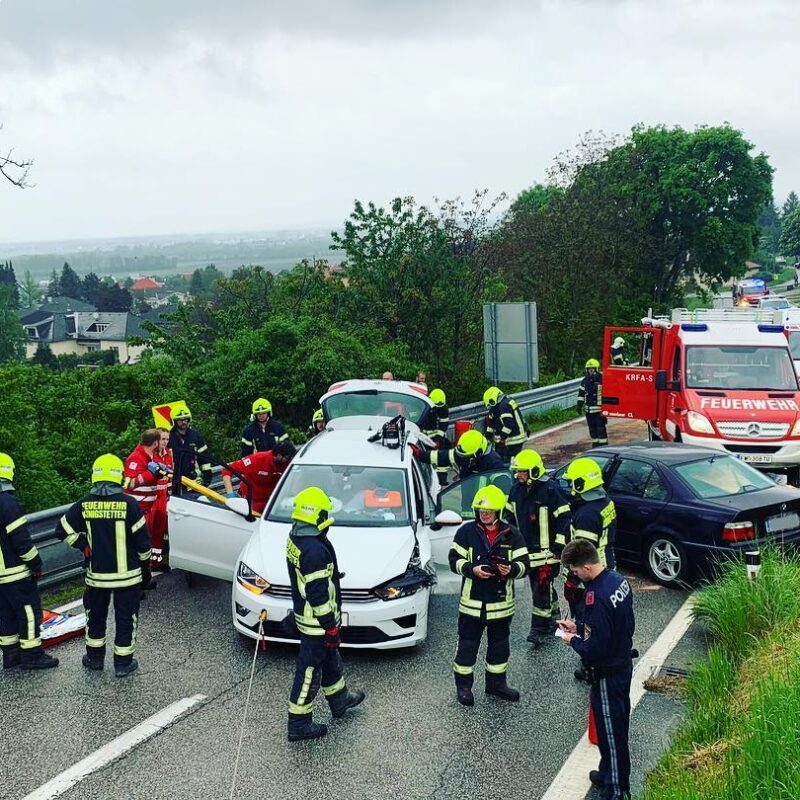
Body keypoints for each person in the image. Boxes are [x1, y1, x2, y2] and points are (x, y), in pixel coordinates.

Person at [55, 454, 152, 677]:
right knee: (126, 618)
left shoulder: (84, 504)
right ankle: (123, 663)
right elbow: (144, 545)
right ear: (119, 476)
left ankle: (95, 659)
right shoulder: (130, 504)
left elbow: (61, 530)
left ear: (95, 476)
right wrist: (145, 570)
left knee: (95, 617)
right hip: (128, 578)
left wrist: (83, 544)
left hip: (96, 577)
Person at [286, 487, 365, 741]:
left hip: (311, 618)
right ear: (318, 516)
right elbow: (318, 595)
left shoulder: (297, 538)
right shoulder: (314, 550)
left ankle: (340, 700)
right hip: (317, 622)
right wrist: (330, 626)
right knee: (309, 671)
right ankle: (299, 723)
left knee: (330, 658)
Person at [558, 539, 635, 800]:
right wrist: (578, 627)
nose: (575, 576)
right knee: (611, 726)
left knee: (611, 731)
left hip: (607, 673)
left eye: (576, 571)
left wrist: (573, 640)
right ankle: (607, 771)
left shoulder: (595, 597)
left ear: (587, 567)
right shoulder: (616, 581)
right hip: (622, 663)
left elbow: (595, 648)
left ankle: (616, 788)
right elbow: (610, 628)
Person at [448, 485, 529, 706]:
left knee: (500, 647)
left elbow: (525, 564)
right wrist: (471, 569)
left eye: (489, 511)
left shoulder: (512, 534)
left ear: (499, 512)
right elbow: (454, 559)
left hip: (501, 605)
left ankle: (496, 685)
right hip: (472, 604)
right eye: (481, 511)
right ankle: (464, 687)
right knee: (467, 647)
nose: (484, 514)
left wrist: (511, 570)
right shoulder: (466, 532)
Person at [504, 449, 571, 646]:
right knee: (544, 588)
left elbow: (564, 519)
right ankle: (554, 617)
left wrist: (559, 545)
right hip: (527, 553)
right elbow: (509, 517)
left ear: (533, 471)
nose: (518, 475)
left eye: (522, 471)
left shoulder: (551, 490)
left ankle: (540, 629)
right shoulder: (516, 490)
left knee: (540, 589)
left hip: (548, 555)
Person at [0, 453, 59, 670]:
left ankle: (10, 655)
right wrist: (35, 562)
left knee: (5, 614)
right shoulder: (7, 502)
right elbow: (21, 540)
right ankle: (32, 655)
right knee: (29, 612)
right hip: (15, 571)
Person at [561, 456, 617, 621]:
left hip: (587, 578)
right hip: (606, 567)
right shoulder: (605, 502)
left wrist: (571, 581)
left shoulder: (587, 515)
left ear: (580, 484)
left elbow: (582, 555)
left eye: (571, 482)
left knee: (587, 623)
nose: (569, 486)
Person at [124, 429, 171, 573]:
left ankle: (155, 563)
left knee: (157, 535)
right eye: (161, 440)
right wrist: (150, 474)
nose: (164, 443)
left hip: (152, 503)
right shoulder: (136, 458)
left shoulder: (153, 455)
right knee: (141, 539)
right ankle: (140, 571)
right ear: (155, 442)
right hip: (139, 507)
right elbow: (129, 483)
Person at [222, 440, 296, 514]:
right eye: (287, 458)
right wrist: (230, 494)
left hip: (270, 504)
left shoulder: (288, 465)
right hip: (248, 504)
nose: (288, 460)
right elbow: (227, 470)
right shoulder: (258, 459)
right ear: (279, 455)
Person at [416, 429, 504, 482]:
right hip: (467, 504)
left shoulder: (495, 464)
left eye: (466, 457)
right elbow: (442, 457)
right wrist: (420, 454)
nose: (462, 459)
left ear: (478, 453)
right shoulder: (465, 455)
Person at [167, 403, 213, 486]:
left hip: (195, 483)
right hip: (176, 483)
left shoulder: (196, 436)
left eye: (186, 419)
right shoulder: (168, 438)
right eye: (180, 420)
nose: (183, 422)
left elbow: (205, 459)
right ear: (173, 421)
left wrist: (207, 479)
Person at [483, 386, 529, 463]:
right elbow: (491, 425)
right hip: (510, 438)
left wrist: (502, 439)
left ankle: (512, 472)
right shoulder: (495, 408)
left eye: (491, 403)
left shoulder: (504, 406)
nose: (490, 406)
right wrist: (487, 437)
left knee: (509, 460)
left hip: (514, 438)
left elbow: (509, 424)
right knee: (501, 458)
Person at [421, 388, 451, 486]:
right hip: (425, 438)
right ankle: (427, 480)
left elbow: (444, 424)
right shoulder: (426, 408)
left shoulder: (443, 408)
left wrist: (439, 438)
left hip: (438, 438)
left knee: (441, 458)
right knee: (426, 458)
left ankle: (442, 479)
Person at [577, 359, 608, 448]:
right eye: (589, 369)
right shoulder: (584, 381)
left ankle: (603, 446)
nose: (590, 371)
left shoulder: (602, 379)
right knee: (592, 429)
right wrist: (579, 406)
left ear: (596, 369)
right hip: (589, 411)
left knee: (600, 429)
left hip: (599, 411)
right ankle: (595, 445)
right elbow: (581, 394)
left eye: (592, 369)